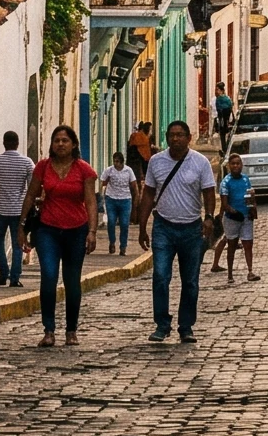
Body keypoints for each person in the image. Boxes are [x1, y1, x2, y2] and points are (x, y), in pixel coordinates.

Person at [139, 120, 218, 345]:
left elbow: (208, 192)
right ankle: (162, 325)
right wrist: (142, 226)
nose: (176, 139)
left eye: (180, 135)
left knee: (190, 280)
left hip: (191, 228)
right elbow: (148, 194)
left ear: (188, 138)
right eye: (172, 135)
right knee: (161, 276)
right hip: (163, 227)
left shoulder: (200, 162)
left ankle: (186, 326)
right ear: (166, 137)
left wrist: (209, 217)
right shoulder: (156, 162)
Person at [24, 126, 96, 346]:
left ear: (73, 144)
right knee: (48, 276)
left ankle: (71, 330)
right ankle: (48, 330)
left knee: (72, 281)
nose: (61, 144)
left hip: (77, 229)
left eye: (65, 140)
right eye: (57, 140)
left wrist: (92, 231)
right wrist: (21, 225)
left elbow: (91, 202)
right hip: (48, 229)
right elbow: (30, 195)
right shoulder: (43, 167)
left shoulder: (84, 170)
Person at [0, 130, 35, 288]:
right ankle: (15, 277)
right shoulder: (27, 162)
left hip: (0, 208)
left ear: (4, 143)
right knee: (18, 243)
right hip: (19, 210)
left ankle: (3, 272)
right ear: (18, 143)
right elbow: (31, 186)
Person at [210, 154, 257, 281]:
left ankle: (250, 271)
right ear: (229, 166)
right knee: (231, 245)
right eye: (233, 164)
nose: (236, 166)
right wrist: (235, 213)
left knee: (248, 244)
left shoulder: (246, 179)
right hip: (232, 218)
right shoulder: (226, 182)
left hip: (246, 217)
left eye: (238, 163)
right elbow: (225, 204)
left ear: (242, 165)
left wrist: (252, 209)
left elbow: (249, 196)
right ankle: (230, 274)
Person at [97, 157, 138, 255]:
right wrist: (101, 195)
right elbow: (102, 182)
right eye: (114, 161)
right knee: (111, 221)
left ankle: (123, 246)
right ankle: (112, 242)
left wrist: (136, 197)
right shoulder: (109, 170)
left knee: (124, 224)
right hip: (111, 199)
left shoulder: (128, 171)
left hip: (125, 200)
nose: (116, 164)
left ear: (122, 162)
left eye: (118, 162)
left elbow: (133, 185)